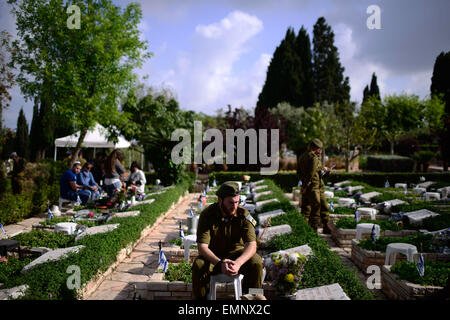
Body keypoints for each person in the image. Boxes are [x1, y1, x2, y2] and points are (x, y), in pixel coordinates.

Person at [192, 181, 263, 299]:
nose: (234, 206)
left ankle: (253, 297)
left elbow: (252, 244)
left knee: (256, 262)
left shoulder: (244, 215)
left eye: (237, 202)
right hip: (214, 257)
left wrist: (239, 263)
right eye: (231, 202)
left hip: (237, 256)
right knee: (199, 265)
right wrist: (220, 264)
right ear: (220, 200)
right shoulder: (207, 215)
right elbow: (202, 247)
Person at [298, 138, 332, 234]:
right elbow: (311, 173)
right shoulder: (313, 158)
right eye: (319, 149)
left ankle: (324, 226)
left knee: (311, 208)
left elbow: (300, 173)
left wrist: (326, 172)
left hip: (316, 187)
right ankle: (313, 231)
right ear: (315, 148)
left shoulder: (302, 156)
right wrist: (305, 186)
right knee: (315, 209)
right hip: (313, 187)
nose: (320, 152)